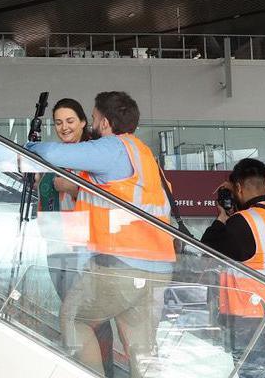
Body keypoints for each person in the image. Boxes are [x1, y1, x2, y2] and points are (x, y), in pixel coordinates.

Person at [26, 91, 176, 378]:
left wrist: (26, 145)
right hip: (156, 265)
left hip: (122, 263)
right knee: (140, 347)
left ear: (104, 122)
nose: (93, 125)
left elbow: (52, 153)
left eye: (92, 118)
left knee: (74, 319)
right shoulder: (144, 154)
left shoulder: (112, 148)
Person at [34, 98, 116, 378]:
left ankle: (99, 370)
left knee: (86, 316)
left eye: (70, 121)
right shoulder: (54, 155)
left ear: (83, 122)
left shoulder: (91, 154)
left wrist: (74, 188)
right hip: (56, 243)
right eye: (58, 122)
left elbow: (106, 196)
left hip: (83, 246)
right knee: (76, 313)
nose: (64, 127)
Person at [202, 158, 265, 378]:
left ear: (237, 187)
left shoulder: (243, 221)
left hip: (253, 316)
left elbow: (207, 250)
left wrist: (222, 217)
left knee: (252, 374)